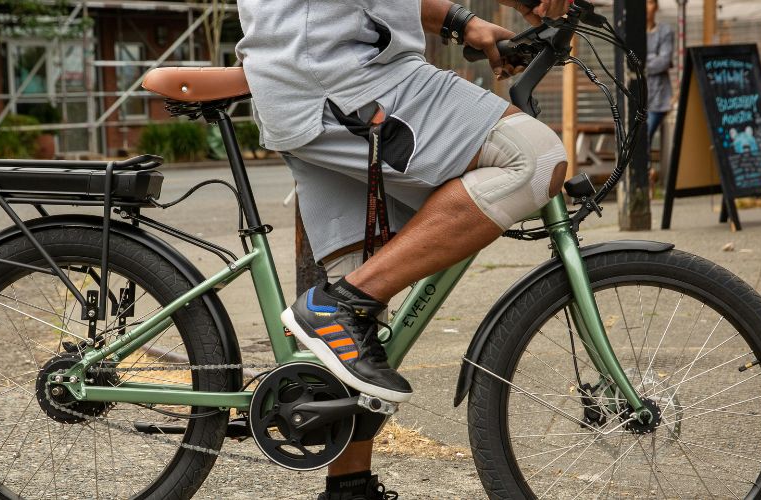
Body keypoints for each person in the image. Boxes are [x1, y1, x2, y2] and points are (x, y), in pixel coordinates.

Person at [236, 1, 570, 498]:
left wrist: (464, 23)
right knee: (535, 157)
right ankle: (337, 306)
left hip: (315, 73)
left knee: (355, 324)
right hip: (343, 78)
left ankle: (349, 487)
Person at [646, 0, 675, 166]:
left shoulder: (665, 31)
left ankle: (647, 179)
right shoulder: (632, 33)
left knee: (644, 137)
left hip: (659, 98)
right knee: (636, 141)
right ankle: (647, 179)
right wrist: (653, 57)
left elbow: (664, 61)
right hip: (636, 97)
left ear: (656, 6)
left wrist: (643, 61)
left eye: (649, 2)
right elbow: (628, 61)